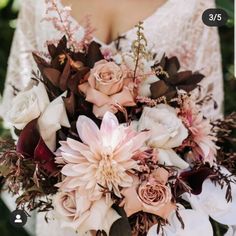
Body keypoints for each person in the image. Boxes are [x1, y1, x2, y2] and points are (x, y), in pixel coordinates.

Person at [0, 0, 223, 235]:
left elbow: (204, 122)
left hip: (156, 216)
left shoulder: (194, 5)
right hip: (70, 209)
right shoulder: (37, 3)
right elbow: (21, 103)